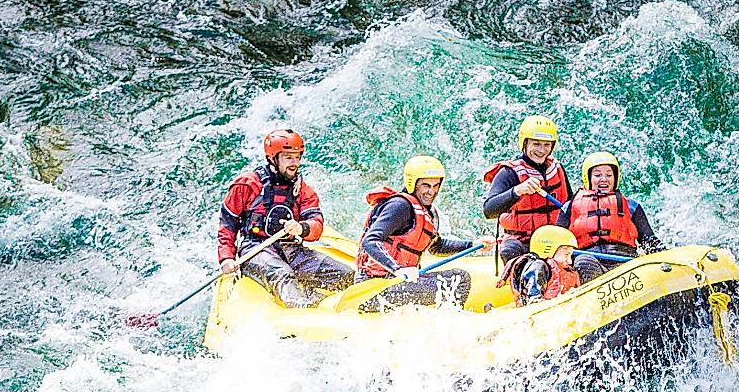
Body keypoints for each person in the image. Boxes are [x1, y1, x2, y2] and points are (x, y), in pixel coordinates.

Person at [217, 129, 356, 308]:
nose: (295, 163)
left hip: (291, 248)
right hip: (255, 249)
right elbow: (227, 224)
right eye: (289, 157)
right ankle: (302, 312)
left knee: (345, 275)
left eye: (298, 157)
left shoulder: (302, 189)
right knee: (282, 275)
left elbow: (316, 221)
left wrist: (301, 228)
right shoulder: (247, 185)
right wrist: (226, 258)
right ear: (273, 158)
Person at [357, 155, 476, 309]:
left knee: (460, 277)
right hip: (374, 289)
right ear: (412, 184)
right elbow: (370, 241)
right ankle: (447, 321)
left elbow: (437, 247)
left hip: (397, 283)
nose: (431, 192)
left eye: (436, 186)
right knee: (457, 282)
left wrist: (472, 244)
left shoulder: (427, 212)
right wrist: (398, 269)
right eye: (426, 185)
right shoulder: (399, 206)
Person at [481, 115, 569, 267]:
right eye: (536, 144)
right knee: (509, 250)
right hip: (521, 242)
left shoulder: (557, 169)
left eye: (547, 145)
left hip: (553, 241)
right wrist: (517, 191)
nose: (542, 150)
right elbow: (489, 210)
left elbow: (570, 206)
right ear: (525, 143)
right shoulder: (509, 173)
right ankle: (526, 286)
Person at [559, 151, 660, 281]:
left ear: (615, 178)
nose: (604, 179)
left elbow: (648, 239)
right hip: (589, 259)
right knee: (583, 262)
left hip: (625, 259)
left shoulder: (631, 206)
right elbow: (558, 242)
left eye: (609, 175)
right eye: (597, 175)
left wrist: (664, 254)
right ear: (588, 178)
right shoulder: (569, 207)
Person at [508, 225, 581, 306]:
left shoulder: (567, 269)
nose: (570, 261)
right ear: (548, 250)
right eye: (566, 254)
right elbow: (533, 300)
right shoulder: (538, 267)